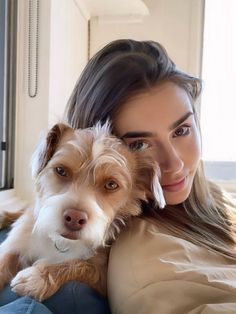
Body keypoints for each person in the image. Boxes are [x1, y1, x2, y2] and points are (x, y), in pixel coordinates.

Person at [0, 39, 236, 313]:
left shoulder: (217, 202)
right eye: (138, 144)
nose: (174, 164)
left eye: (181, 130)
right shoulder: (144, 258)